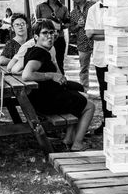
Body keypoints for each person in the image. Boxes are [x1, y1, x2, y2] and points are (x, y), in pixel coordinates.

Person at [22, 20, 95, 151]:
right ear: (36, 37)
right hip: (47, 102)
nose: (50, 36)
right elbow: (26, 75)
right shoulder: (40, 53)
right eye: (45, 33)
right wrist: (51, 75)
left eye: (52, 32)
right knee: (90, 106)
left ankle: (68, 138)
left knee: (79, 93)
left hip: (42, 97)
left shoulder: (35, 50)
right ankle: (77, 144)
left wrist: (55, 70)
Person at [85, 0, 110, 133]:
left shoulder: (119, 8)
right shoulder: (93, 10)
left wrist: (98, 32)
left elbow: (124, 32)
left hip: (118, 56)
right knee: (104, 92)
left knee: (119, 92)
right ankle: (107, 122)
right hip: (101, 57)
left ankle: (119, 121)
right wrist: (114, 32)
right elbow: (89, 34)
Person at [35, 0, 70, 73]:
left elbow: (68, 23)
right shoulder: (40, 7)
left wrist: (60, 26)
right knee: (44, 62)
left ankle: (61, 83)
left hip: (59, 39)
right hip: (44, 39)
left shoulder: (64, 8)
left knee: (59, 63)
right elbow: (35, 23)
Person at [68, 0, 95, 90]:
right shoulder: (73, 13)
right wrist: (78, 26)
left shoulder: (93, 6)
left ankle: (104, 87)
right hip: (82, 43)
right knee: (84, 69)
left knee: (102, 66)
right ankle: (85, 90)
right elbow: (71, 29)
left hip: (97, 40)